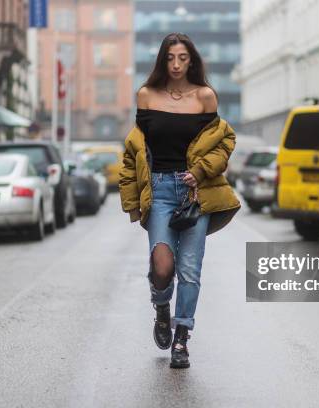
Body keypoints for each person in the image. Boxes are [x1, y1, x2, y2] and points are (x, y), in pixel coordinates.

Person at [118, 33, 241, 369]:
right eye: (170, 57)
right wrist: (131, 200)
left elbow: (223, 144)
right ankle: (161, 308)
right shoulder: (146, 95)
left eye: (182, 58)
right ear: (162, 59)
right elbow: (135, 153)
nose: (175, 64)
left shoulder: (205, 97)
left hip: (194, 194)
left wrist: (200, 172)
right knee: (162, 267)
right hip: (158, 191)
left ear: (192, 60)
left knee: (189, 270)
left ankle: (182, 337)